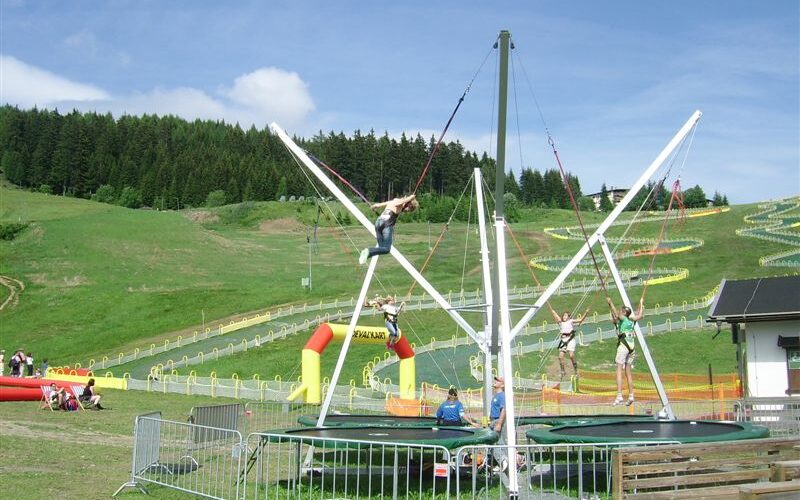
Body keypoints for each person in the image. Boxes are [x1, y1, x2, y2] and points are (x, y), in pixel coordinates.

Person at [358, 194, 418, 264]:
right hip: (386, 224)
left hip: (378, 224)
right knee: (386, 249)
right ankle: (368, 251)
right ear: (409, 204)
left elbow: (382, 204)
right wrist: (411, 197)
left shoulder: (393, 201)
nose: (407, 211)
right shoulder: (399, 202)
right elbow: (403, 201)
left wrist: (375, 206)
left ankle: (366, 254)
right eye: (409, 209)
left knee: (381, 248)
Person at [607, 297, 645, 406]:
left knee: (619, 369)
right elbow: (639, 315)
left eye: (622, 310)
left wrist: (611, 303)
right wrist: (641, 303)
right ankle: (631, 394)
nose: (620, 311)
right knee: (628, 372)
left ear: (624, 313)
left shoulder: (624, 319)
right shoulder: (632, 322)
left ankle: (619, 395)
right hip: (631, 347)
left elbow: (616, 315)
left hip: (624, 345)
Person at [549, 307, 589, 380]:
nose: (564, 317)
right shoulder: (561, 323)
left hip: (570, 339)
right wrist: (552, 311)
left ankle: (576, 370)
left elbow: (580, 320)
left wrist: (586, 313)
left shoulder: (570, 321)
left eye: (566, 316)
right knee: (560, 357)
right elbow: (555, 315)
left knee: (571, 355)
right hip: (563, 340)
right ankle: (563, 371)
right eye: (563, 315)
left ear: (568, 317)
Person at [489, 376, 508, 472]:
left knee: (497, 442)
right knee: (493, 442)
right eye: (495, 379)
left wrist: (499, 423)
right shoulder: (496, 396)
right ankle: (501, 462)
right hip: (493, 421)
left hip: (497, 421)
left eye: (498, 380)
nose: (495, 381)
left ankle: (503, 460)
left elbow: (504, 409)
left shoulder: (502, 395)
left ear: (503, 384)